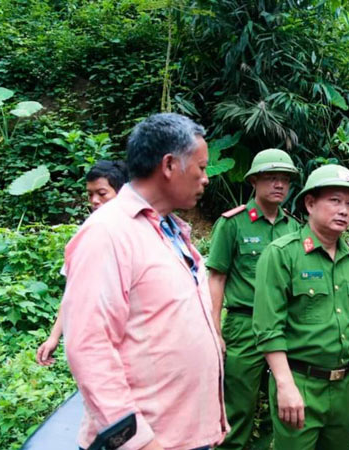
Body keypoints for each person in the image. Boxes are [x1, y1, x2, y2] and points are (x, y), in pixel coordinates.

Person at [61, 113, 228, 450]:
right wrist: (135, 440)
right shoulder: (108, 233)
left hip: (183, 435)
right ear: (169, 165)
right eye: (200, 167)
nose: (206, 178)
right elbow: (88, 346)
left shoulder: (170, 230)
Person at [253, 164, 349, 450]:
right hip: (299, 382)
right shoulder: (282, 254)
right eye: (335, 200)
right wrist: (285, 385)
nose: (344, 210)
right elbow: (269, 328)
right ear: (310, 203)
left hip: (344, 386)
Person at [206, 148, 301, 449]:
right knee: (238, 407)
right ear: (254, 182)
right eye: (271, 178)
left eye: (284, 180)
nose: (279, 185)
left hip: (284, 328)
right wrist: (214, 331)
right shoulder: (233, 224)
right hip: (244, 326)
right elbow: (216, 277)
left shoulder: (295, 228)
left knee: (281, 404)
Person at [36, 160, 129, 366]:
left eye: (102, 193)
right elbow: (73, 290)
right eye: (90, 194)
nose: (94, 200)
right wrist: (53, 337)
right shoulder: (88, 234)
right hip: (98, 342)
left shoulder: (138, 231)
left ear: (122, 193)